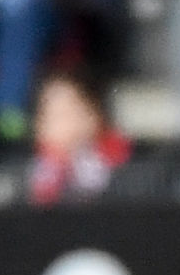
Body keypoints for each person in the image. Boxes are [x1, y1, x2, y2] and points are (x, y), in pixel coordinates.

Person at [27, 71, 131, 204]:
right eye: (56, 116)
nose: (66, 125)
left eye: (71, 112)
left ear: (95, 114)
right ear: (39, 126)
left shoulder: (115, 160)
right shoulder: (34, 172)